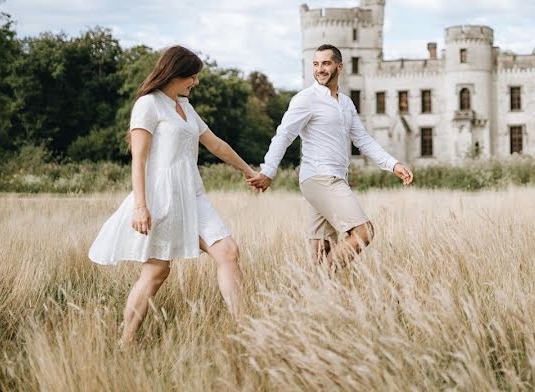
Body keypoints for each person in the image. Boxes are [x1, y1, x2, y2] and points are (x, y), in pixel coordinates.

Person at [89, 45, 255, 343]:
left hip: (193, 195)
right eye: (192, 76)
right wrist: (140, 206)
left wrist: (247, 170)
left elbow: (215, 144)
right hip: (161, 197)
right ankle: (125, 341)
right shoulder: (148, 104)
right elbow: (138, 158)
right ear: (174, 73)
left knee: (228, 252)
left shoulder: (185, 107)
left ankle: (246, 334)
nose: (196, 82)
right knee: (157, 271)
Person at [248, 44, 414, 272]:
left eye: (325, 63)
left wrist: (392, 164)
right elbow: (284, 134)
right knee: (364, 233)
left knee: (322, 246)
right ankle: (316, 282)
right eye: (315, 64)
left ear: (339, 66)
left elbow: (363, 140)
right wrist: (268, 171)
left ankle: (315, 295)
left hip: (335, 178)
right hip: (320, 177)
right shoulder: (305, 99)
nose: (320, 69)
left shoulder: (346, 104)